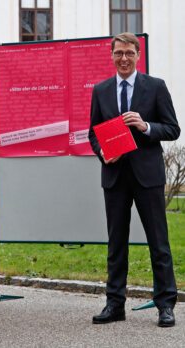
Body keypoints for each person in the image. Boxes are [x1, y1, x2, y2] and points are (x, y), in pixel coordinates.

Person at [89, 32, 180, 327]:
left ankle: (165, 304)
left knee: (159, 243)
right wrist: (103, 153)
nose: (124, 59)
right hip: (115, 176)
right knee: (116, 244)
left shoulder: (155, 87)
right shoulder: (101, 90)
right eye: (119, 54)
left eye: (129, 53)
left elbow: (172, 128)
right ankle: (115, 304)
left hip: (148, 177)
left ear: (138, 55)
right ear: (112, 56)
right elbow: (93, 132)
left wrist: (145, 125)